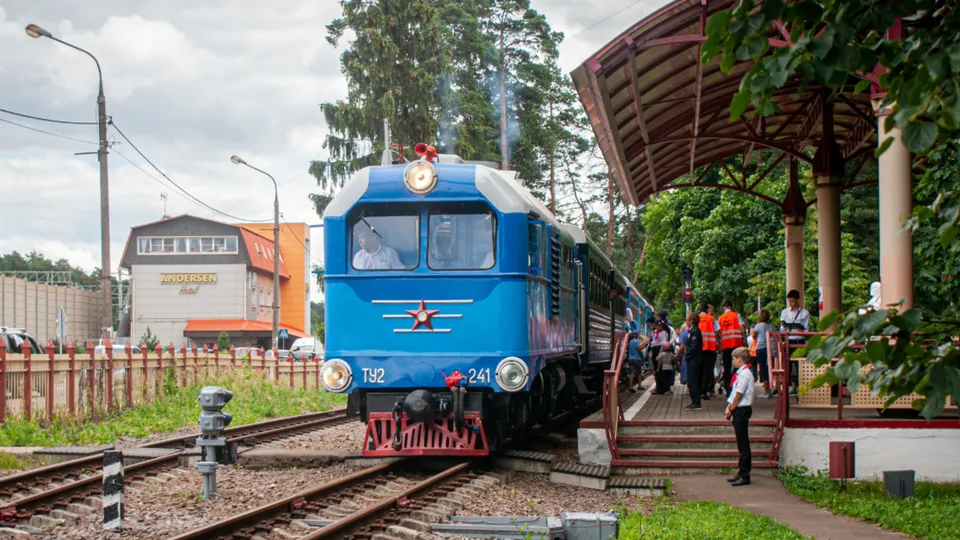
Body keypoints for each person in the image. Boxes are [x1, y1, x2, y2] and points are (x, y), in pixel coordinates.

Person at [725, 346, 755, 486]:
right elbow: (734, 393)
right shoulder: (741, 373)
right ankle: (741, 471)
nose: (732, 361)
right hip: (738, 408)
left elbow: (739, 394)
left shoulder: (744, 374)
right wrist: (729, 406)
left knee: (743, 443)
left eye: (734, 359)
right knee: (740, 442)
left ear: (740, 359)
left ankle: (745, 474)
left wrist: (731, 409)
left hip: (742, 409)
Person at [780, 289, 810, 394]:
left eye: (792, 301)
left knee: (799, 365)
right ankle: (790, 387)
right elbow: (781, 329)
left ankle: (801, 387)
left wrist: (802, 330)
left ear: (797, 300)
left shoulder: (805, 313)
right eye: (789, 301)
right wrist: (785, 327)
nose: (790, 303)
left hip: (800, 340)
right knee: (787, 364)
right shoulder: (784, 312)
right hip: (789, 340)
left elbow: (807, 329)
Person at [718, 300, 746, 395]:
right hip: (736, 344)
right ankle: (734, 384)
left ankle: (727, 384)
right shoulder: (736, 315)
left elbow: (718, 332)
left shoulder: (720, 318)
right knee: (737, 365)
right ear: (731, 306)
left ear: (723, 307)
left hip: (725, 345)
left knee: (726, 366)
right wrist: (744, 340)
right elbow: (742, 329)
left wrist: (720, 344)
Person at [697, 302, 718, 400]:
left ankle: (697, 390)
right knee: (707, 370)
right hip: (710, 347)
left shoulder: (696, 318)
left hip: (698, 348)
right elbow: (717, 330)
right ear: (707, 310)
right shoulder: (711, 319)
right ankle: (704, 391)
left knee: (698, 369)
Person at [684, 312, 703, 411]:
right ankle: (695, 401)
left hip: (694, 359)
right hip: (693, 358)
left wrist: (686, 355)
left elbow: (694, 347)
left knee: (693, 380)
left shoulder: (695, 331)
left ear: (691, 321)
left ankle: (696, 402)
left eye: (687, 320)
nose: (686, 321)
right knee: (692, 380)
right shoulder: (693, 331)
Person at [754, 310, 774, 397]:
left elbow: (754, 337)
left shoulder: (758, 326)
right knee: (770, 368)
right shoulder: (771, 326)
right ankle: (772, 389)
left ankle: (766, 391)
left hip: (761, 348)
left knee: (763, 368)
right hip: (770, 348)